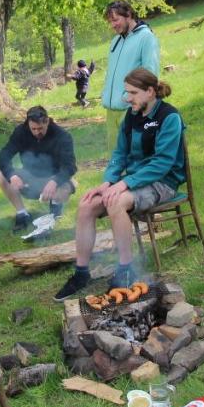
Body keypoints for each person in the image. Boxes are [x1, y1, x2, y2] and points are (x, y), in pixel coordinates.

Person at [55, 68, 185, 301]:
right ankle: (82, 272)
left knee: (116, 202)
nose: (128, 98)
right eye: (126, 93)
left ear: (150, 91)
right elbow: (119, 154)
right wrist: (108, 182)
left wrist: (124, 184)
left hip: (163, 182)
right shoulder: (131, 116)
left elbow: (162, 163)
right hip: (132, 180)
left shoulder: (169, 117)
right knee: (86, 205)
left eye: (133, 93)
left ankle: (126, 270)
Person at [0, 106, 77, 232]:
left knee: (69, 184)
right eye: (33, 128)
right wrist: (12, 175)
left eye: (40, 128)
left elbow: (70, 166)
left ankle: (55, 206)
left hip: (53, 179)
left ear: (47, 122)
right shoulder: (21, 132)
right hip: (30, 178)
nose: (36, 132)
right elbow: (3, 156)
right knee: (1, 175)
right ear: (28, 124)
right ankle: (22, 214)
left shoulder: (62, 136)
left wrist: (54, 181)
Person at [100, 0, 160, 152]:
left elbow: (150, 76)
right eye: (110, 21)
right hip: (111, 111)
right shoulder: (115, 41)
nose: (113, 25)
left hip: (132, 110)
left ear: (128, 15)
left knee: (133, 159)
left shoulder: (146, 38)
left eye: (115, 20)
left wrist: (136, 102)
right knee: (114, 159)